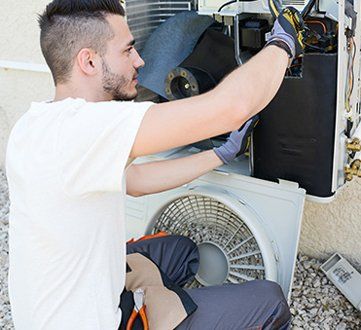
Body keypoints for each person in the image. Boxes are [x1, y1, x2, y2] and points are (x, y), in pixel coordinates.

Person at [5, 0, 304, 329]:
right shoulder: (83, 130)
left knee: (181, 252)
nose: (140, 60)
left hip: (69, 298)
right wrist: (284, 42)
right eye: (127, 50)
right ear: (88, 61)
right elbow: (232, 106)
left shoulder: (35, 123)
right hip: (93, 322)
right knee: (271, 301)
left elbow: (133, 180)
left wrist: (218, 155)